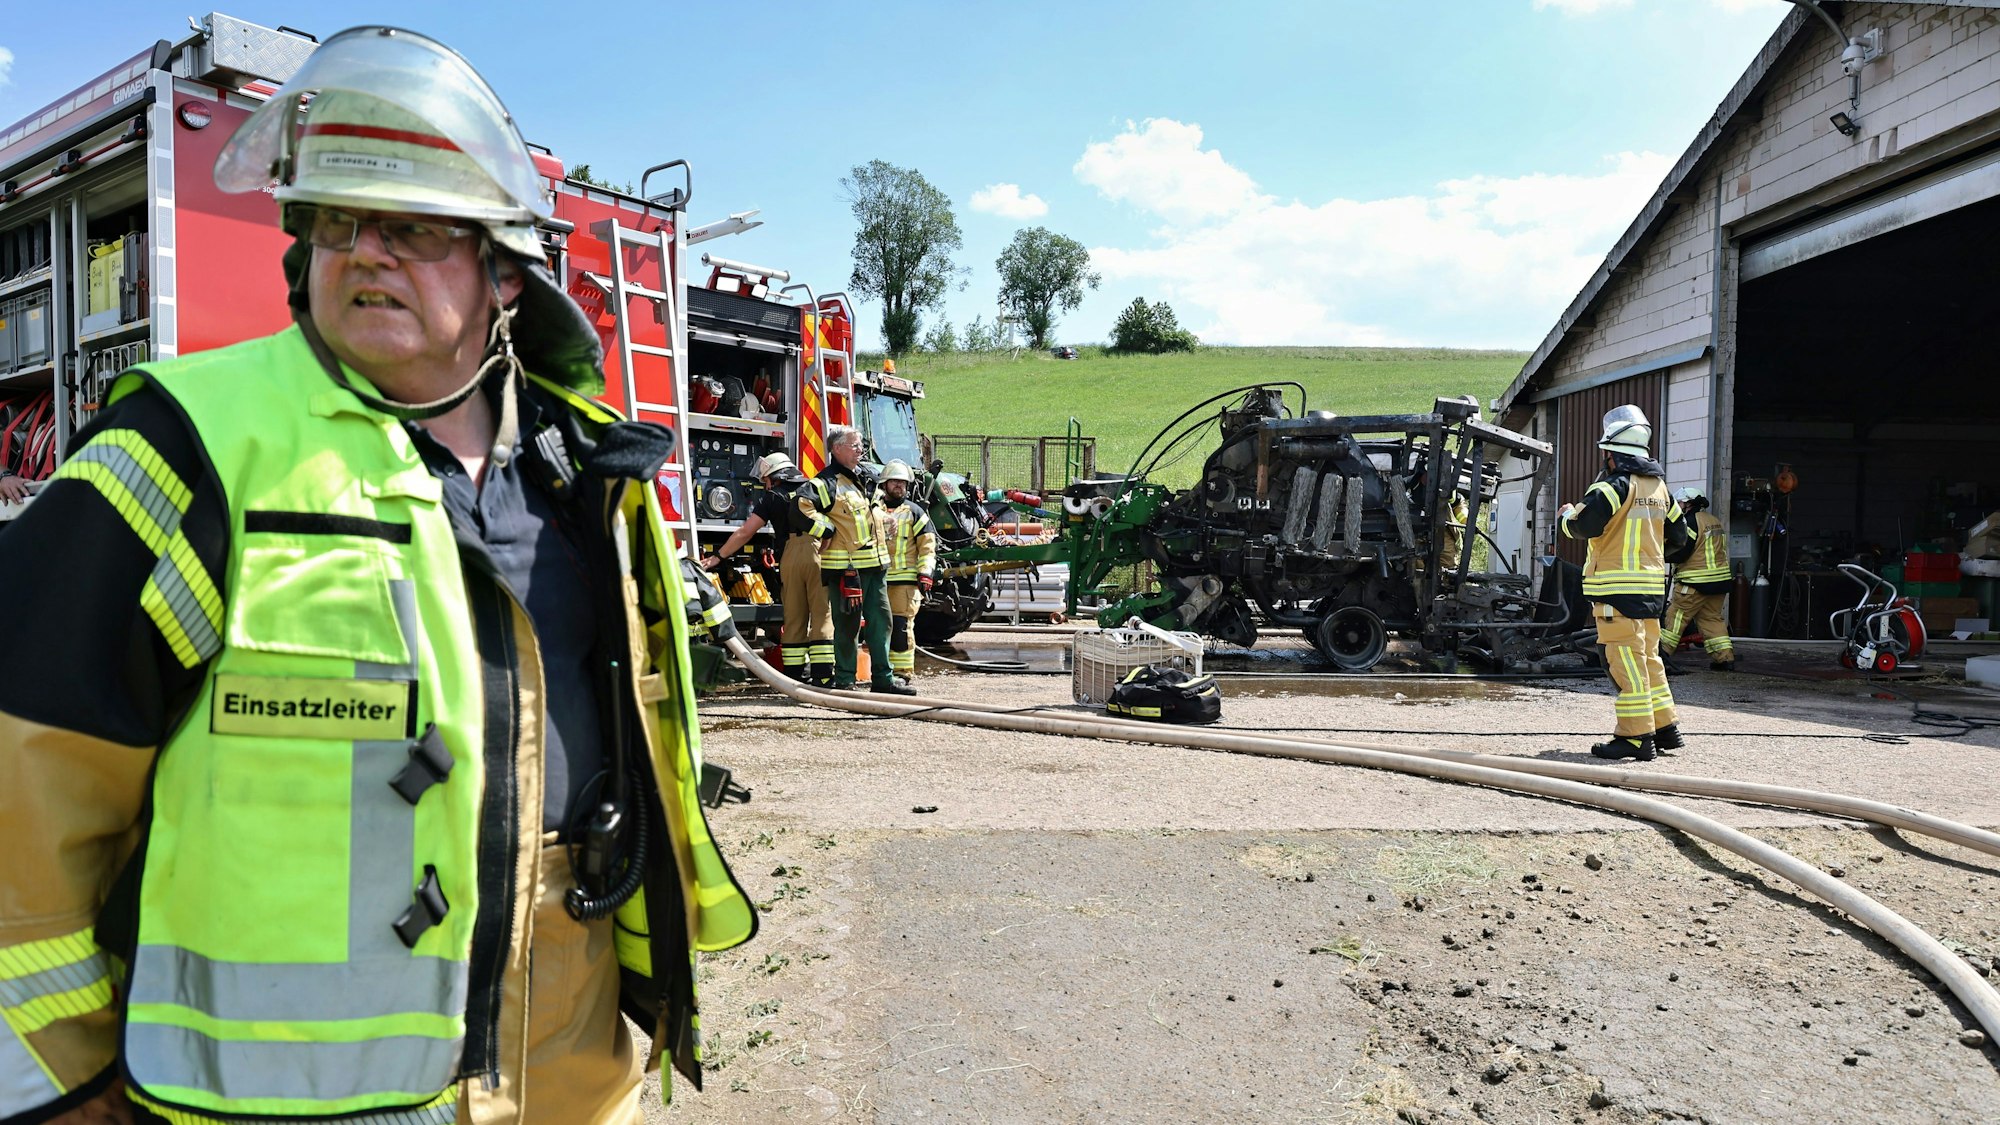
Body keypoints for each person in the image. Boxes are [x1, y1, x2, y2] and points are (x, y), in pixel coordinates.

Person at [0, 26, 754, 1125]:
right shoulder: (184, 452)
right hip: (284, 1103)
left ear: (504, 270)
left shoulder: (588, 474)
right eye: (336, 224)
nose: (364, 253)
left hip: (570, 1066)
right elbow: (23, 794)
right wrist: (60, 1087)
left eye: (410, 227)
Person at [1559, 405, 1695, 762]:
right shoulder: (1659, 488)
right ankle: (1665, 729)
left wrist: (1566, 516)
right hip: (1650, 590)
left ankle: (1634, 738)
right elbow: (1681, 537)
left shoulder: (1612, 485)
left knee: (1623, 662)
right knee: (1649, 658)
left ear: (1611, 454)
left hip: (1615, 591)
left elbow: (1583, 526)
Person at [702, 451, 834, 684]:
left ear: (775, 476)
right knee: (822, 613)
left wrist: (718, 557)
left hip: (790, 556)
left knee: (794, 617)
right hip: (818, 552)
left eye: (765, 480)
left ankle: (794, 676)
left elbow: (745, 532)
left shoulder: (772, 497)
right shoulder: (814, 489)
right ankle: (823, 676)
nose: (765, 484)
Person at [802, 426, 914, 694]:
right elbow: (801, 510)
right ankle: (845, 680)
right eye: (855, 445)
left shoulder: (864, 478)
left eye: (861, 445)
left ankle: (883, 680)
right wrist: (825, 529)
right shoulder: (825, 484)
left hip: (876, 567)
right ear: (837, 449)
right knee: (847, 628)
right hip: (845, 571)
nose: (860, 450)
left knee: (882, 622)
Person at [875, 460, 937, 683]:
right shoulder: (873, 510)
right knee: (877, 629)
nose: (899, 486)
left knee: (900, 628)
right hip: (877, 580)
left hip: (905, 583)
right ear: (884, 484)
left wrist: (926, 573)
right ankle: (880, 672)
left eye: (903, 482)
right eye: (895, 482)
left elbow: (928, 547)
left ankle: (902, 674)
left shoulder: (915, 513)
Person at [1662, 485, 1736, 672]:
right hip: (1719, 583)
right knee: (1712, 619)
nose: (1677, 506)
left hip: (1693, 583)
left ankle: (1661, 657)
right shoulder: (1713, 520)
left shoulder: (1689, 522)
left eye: (1679, 502)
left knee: (1675, 618)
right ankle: (1724, 659)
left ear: (1687, 503)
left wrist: (1664, 555)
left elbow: (1682, 551)